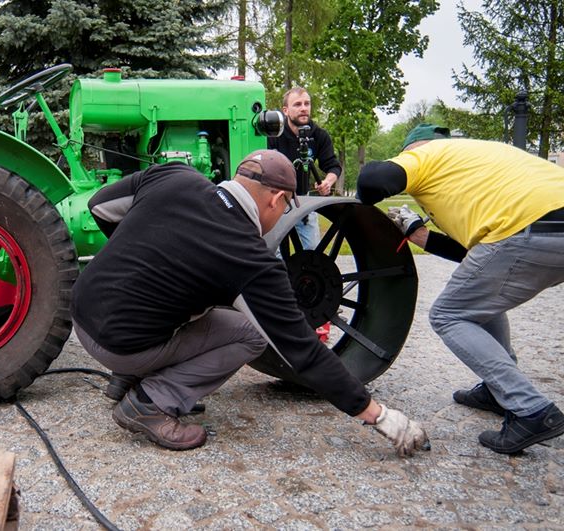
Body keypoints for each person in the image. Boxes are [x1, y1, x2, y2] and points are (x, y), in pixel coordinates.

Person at [71, 149, 429, 456]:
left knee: (201, 308)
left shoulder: (174, 176)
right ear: (276, 199)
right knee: (249, 334)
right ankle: (151, 402)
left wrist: (137, 262)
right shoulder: (248, 257)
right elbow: (301, 350)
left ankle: (128, 377)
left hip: (82, 311)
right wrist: (379, 415)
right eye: (286, 207)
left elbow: (98, 205)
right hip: (122, 347)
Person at [357, 123, 564, 454]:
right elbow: (475, 257)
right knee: (477, 298)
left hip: (528, 227)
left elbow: (372, 180)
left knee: (448, 314)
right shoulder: (478, 158)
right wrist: (420, 234)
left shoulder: (427, 155)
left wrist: (362, 201)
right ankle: (499, 389)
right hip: (546, 224)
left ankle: (530, 409)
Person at [268, 86, 342, 250]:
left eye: (307, 104)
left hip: (303, 200)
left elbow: (333, 166)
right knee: (274, 253)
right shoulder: (274, 135)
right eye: (297, 104)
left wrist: (328, 182)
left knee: (312, 250)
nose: (303, 108)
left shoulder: (319, 135)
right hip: (275, 201)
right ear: (285, 110)